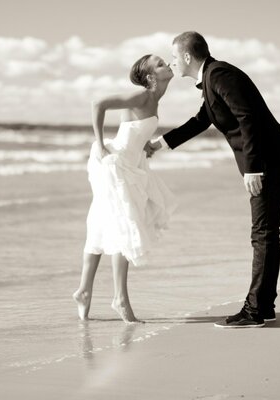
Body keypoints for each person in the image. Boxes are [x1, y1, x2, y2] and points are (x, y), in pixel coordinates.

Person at [147, 31, 280, 328]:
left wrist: (253, 168)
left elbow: (248, 118)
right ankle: (264, 305)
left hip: (270, 161)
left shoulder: (220, 75)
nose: (173, 62)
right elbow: (201, 121)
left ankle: (254, 310)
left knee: (263, 233)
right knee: (266, 232)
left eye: (175, 57)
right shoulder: (211, 79)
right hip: (272, 159)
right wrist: (160, 144)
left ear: (188, 56)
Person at [73, 54, 177, 324]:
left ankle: (84, 290)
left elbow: (133, 129)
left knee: (102, 223)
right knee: (124, 227)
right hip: (116, 166)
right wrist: (100, 144)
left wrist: (144, 145)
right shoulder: (141, 96)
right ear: (151, 76)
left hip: (132, 165)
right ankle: (120, 299)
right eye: (161, 63)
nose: (168, 64)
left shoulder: (155, 100)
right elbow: (99, 104)